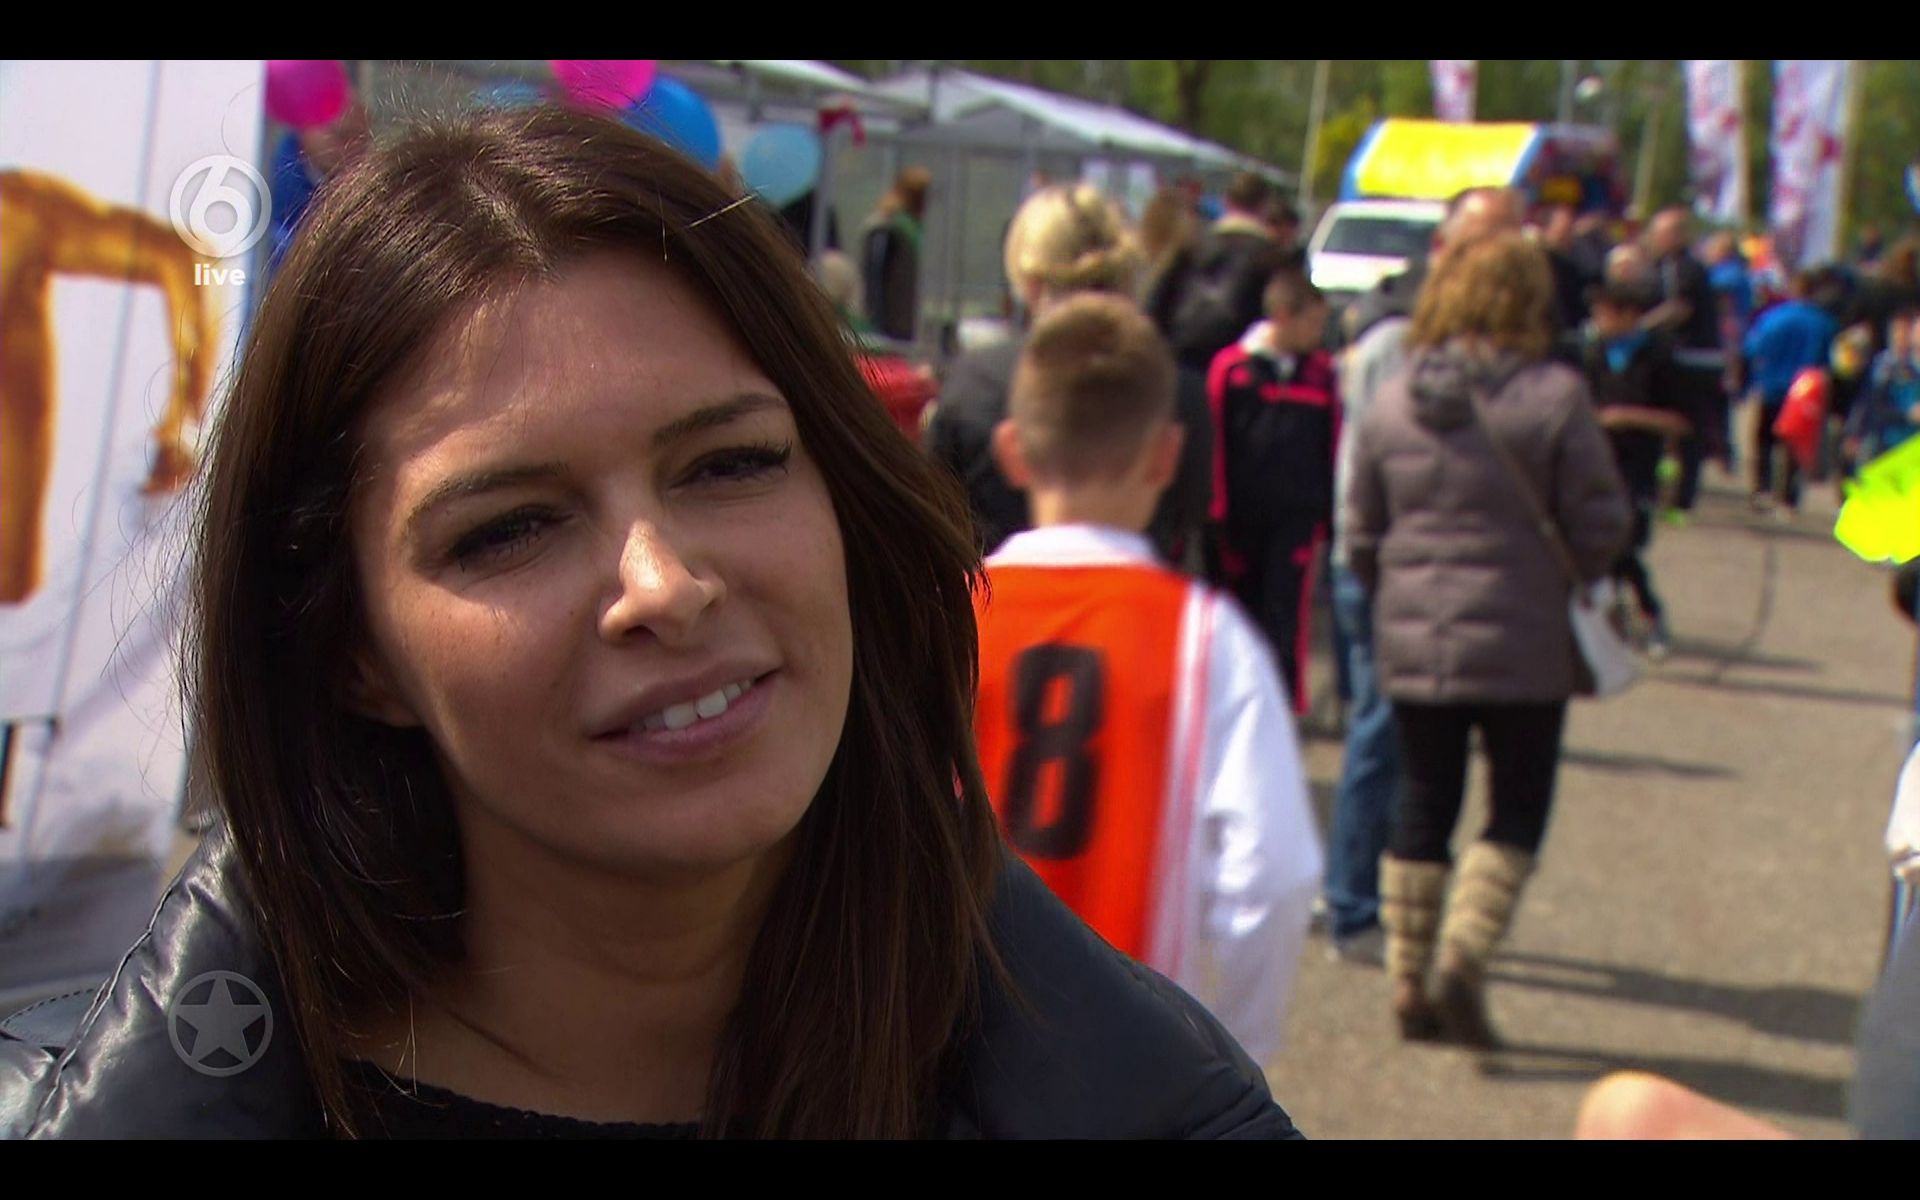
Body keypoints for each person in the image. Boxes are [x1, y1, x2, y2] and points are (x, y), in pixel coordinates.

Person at [0, 107, 1303, 1140]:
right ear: (352, 649)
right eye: (508, 528)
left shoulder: (1143, 1108)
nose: (664, 584)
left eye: (731, 464)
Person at [970, 292, 1322, 1065]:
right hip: (1127, 1061)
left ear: (1012, 451)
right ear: (1167, 455)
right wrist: (1231, 1058)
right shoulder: (1208, 639)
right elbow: (1274, 877)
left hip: (949, 1048)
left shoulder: (942, 622)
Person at [1346, 232, 1631, 1047]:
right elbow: (1602, 521)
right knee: (1517, 804)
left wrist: (1398, 588)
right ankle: (1465, 955)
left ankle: (1407, 975)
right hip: (1526, 635)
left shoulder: (1394, 400)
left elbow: (1361, 527)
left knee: (1423, 796)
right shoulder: (1555, 397)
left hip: (1417, 633)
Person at [1316, 184, 1527, 963]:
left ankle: (1396, 906)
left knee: (1426, 750)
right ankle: (1352, 906)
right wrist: (1367, 564)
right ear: (1443, 250)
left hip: (1453, 582)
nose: (1496, 261)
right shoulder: (1394, 342)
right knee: (1381, 732)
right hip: (1385, 568)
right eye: (1481, 243)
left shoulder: (1512, 352)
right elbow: (1362, 473)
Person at [925, 183, 1212, 569]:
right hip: (1139, 599)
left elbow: (936, 515)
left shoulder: (976, 382)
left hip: (994, 599)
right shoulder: (1178, 389)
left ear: (1029, 280)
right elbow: (1191, 518)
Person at [1207, 270, 1336, 715]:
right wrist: (1216, 510)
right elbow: (1215, 440)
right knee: (1240, 611)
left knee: (1287, 612)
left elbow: (1331, 442)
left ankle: (1282, 705)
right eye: (1312, 323)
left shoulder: (1321, 374)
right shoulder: (1232, 368)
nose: (1318, 334)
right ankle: (1234, 702)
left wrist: (1325, 512)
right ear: (1282, 316)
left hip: (1297, 516)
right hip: (1240, 517)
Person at [1580, 279, 1692, 659]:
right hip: (1595, 461)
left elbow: (1681, 421)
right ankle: (1616, 616)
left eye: (1604, 314)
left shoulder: (1659, 357)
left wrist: (1627, 417)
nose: (1598, 322)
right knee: (1601, 545)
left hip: (1639, 466)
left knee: (1623, 543)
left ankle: (1649, 613)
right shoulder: (1592, 353)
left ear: (1628, 315)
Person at [1156, 171, 1291, 372]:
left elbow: (1158, 305)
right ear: (1264, 208)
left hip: (1182, 362)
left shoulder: (1191, 246)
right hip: (1238, 373)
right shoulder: (1274, 258)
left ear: (1226, 202)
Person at [1642, 207, 1727, 516]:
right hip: (1690, 358)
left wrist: (1638, 327)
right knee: (1680, 430)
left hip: (1691, 360)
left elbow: (1678, 308)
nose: (1653, 239)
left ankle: (1679, 498)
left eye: (1659, 233)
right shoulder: (1669, 266)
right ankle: (1671, 492)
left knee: (1683, 428)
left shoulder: (1683, 268)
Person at [1743, 265, 1844, 513]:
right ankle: (1788, 496)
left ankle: (1762, 488)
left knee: (1765, 440)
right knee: (1794, 444)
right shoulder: (1824, 323)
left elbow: (1753, 348)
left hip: (1772, 386)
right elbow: (1830, 361)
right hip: (1804, 392)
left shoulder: (1773, 317)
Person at [267, 94, 371, 279]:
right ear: (306, 129)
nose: (349, 147)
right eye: (339, 135)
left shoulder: (363, 189)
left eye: (360, 138)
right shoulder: (273, 183)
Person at [860, 166, 931, 344]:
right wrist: (877, 320)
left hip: (905, 318)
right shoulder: (886, 228)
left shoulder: (912, 227)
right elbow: (875, 278)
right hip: (890, 322)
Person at [1843, 306, 1920, 465]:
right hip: (1886, 442)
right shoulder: (1883, 367)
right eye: (1896, 332)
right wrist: (1854, 433)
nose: (1900, 337)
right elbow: (1870, 404)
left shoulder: (1911, 367)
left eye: (1905, 332)